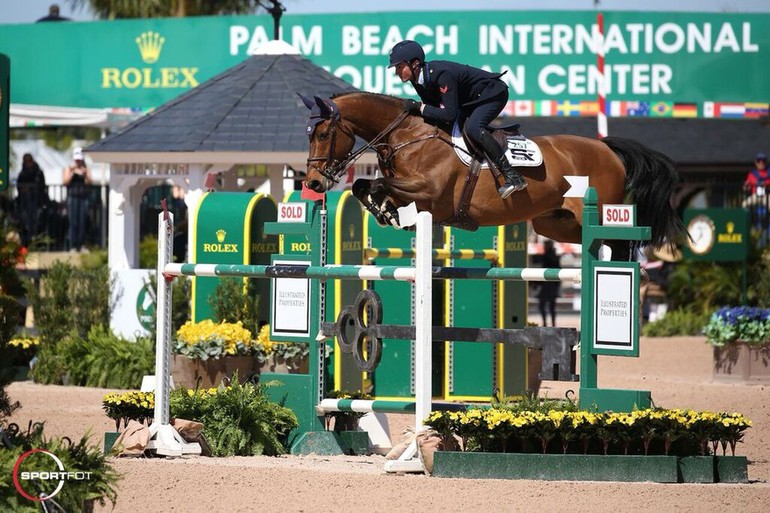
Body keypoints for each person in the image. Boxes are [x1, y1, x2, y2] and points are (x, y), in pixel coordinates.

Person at [387, 40, 527, 199]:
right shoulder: (417, 79)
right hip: (470, 100)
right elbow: (432, 109)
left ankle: (513, 176)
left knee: (473, 128)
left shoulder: (441, 74)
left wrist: (419, 107)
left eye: (399, 67)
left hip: (492, 94)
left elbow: (448, 114)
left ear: (415, 63)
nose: (397, 72)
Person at [63, 147, 91, 252]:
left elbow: (90, 182)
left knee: (83, 221)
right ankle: (73, 245)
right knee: (73, 221)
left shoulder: (86, 169)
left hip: (83, 198)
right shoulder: (68, 169)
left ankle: (82, 244)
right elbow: (65, 182)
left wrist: (85, 175)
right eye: (76, 160)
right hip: (72, 198)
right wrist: (72, 172)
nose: (78, 162)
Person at [16, 153, 47, 247]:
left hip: (36, 202)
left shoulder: (38, 172)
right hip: (25, 203)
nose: (28, 163)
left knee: (36, 223)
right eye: (26, 161)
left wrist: (31, 188)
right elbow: (19, 186)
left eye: (29, 161)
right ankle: (27, 242)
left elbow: (41, 186)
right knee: (25, 223)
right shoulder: (22, 173)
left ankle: (36, 242)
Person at [537, 239, 561, 327]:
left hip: (547, 285)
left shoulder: (547, 256)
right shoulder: (555, 256)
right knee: (551, 307)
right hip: (552, 285)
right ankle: (552, 324)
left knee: (543, 305)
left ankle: (545, 323)